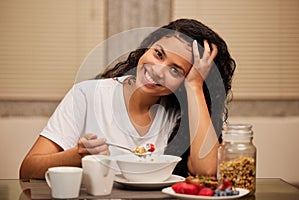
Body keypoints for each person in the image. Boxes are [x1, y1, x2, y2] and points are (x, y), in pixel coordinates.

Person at [19, 18, 236, 179]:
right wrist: (77, 156)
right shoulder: (86, 95)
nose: (158, 70)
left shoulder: (179, 113)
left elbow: (207, 172)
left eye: (176, 71)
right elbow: (28, 169)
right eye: (158, 54)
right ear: (146, 48)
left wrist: (195, 86)